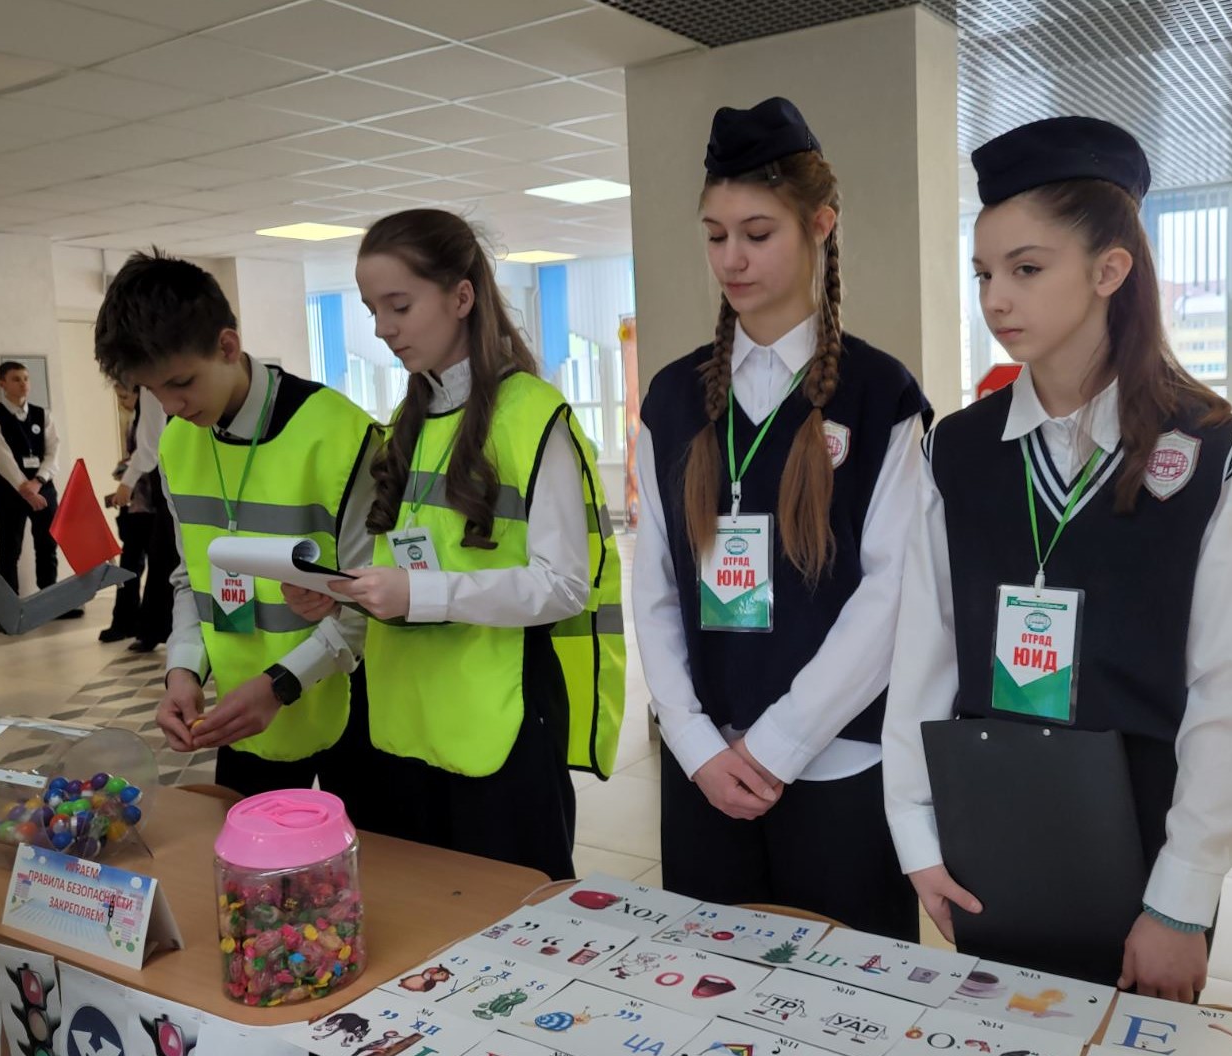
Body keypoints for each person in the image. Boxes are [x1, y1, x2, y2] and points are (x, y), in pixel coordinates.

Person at [883, 116, 1232, 999]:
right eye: (983, 273)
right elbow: (924, 651)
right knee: (993, 1046)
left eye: (1026, 269)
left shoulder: (1214, 460)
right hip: (990, 818)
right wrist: (915, 833)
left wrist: (1181, 901)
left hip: (1147, 840)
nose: (995, 298)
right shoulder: (956, 451)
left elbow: (1228, 701)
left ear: (1109, 271)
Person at [632, 97, 930, 937]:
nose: (731, 258)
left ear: (819, 225)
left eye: (757, 233)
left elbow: (892, 591)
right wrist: (692, 741)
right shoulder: (672, 396)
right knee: (707, 989)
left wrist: (779, 744)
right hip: (704, 769)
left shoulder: (879, 395)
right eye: (715, 234)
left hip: (837, 763)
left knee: (855, 996)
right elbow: (653, 584)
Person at [283, 209, 624, 882]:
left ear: (461, 297)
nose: (382, 328)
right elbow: (410, 558)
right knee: (420, 916)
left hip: (500, 722)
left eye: (399, 305)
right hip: (402, 722)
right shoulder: (405, 421)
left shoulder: (535, 417)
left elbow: (564, 585)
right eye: (371, 309)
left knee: (514, 912)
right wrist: (343, 592)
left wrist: (421, 594)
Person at [93, 250, 379, 796]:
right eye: (153, 391)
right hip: (244, 714)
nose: (172, 406)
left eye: (181, 382)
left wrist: (281, 684)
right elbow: (190, 579)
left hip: (350, 703)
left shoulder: (342, 434)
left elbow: (371, 599)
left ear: (227, 346)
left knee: (367, 847)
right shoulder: (179, 443)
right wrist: (182, 670)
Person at [0, 361, 81, 617]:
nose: (23, 384)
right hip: (10, 494)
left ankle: (50, 604)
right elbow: (1, 458)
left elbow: (53, 451)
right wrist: (25, 489)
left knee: (47, 545)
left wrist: (38, 482)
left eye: (26, 378)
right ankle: (8, 610)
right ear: (2, 383)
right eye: (16, 379)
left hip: (43, 488)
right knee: (9, 548)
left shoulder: (42, 414)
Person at [101, 382, 169, 646]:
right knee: (132, 563)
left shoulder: (151, 405)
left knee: (154, 565)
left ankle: (145, 627)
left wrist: (126, 480)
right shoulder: (135, 418)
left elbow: (148, 452)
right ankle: (127, 621)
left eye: (124, 396)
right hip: (138, 504)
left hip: (150, 503)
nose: (122, 402)